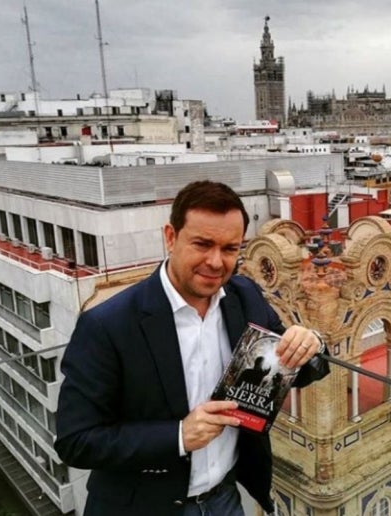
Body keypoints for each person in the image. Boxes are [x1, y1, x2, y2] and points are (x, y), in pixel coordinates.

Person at [54, 180, 329, 516]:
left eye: (230, 248)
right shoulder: (108, 325)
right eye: (202, 244)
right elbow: (75, 441)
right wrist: (179, 436)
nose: (216, 262)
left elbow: (292, 367)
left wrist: (311, 344)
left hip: (225, 498)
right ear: (170, 237)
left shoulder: (244, 297)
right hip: (144, 507)